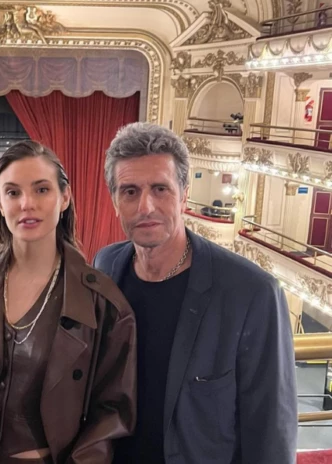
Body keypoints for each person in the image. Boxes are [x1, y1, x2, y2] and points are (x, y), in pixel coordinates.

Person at [94, 122, 297, 464]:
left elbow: (271, 433)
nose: (145, 206)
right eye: (129, 191)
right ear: (114, 201)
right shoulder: (106, 266)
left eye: (160, 189)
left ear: (184, 195)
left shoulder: (252, 293)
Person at [0, 141, 136, 464]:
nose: (27, 204)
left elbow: (112, 415)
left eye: (41, 190)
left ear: (64, 197)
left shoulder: (104, 304)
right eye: (13, 192)